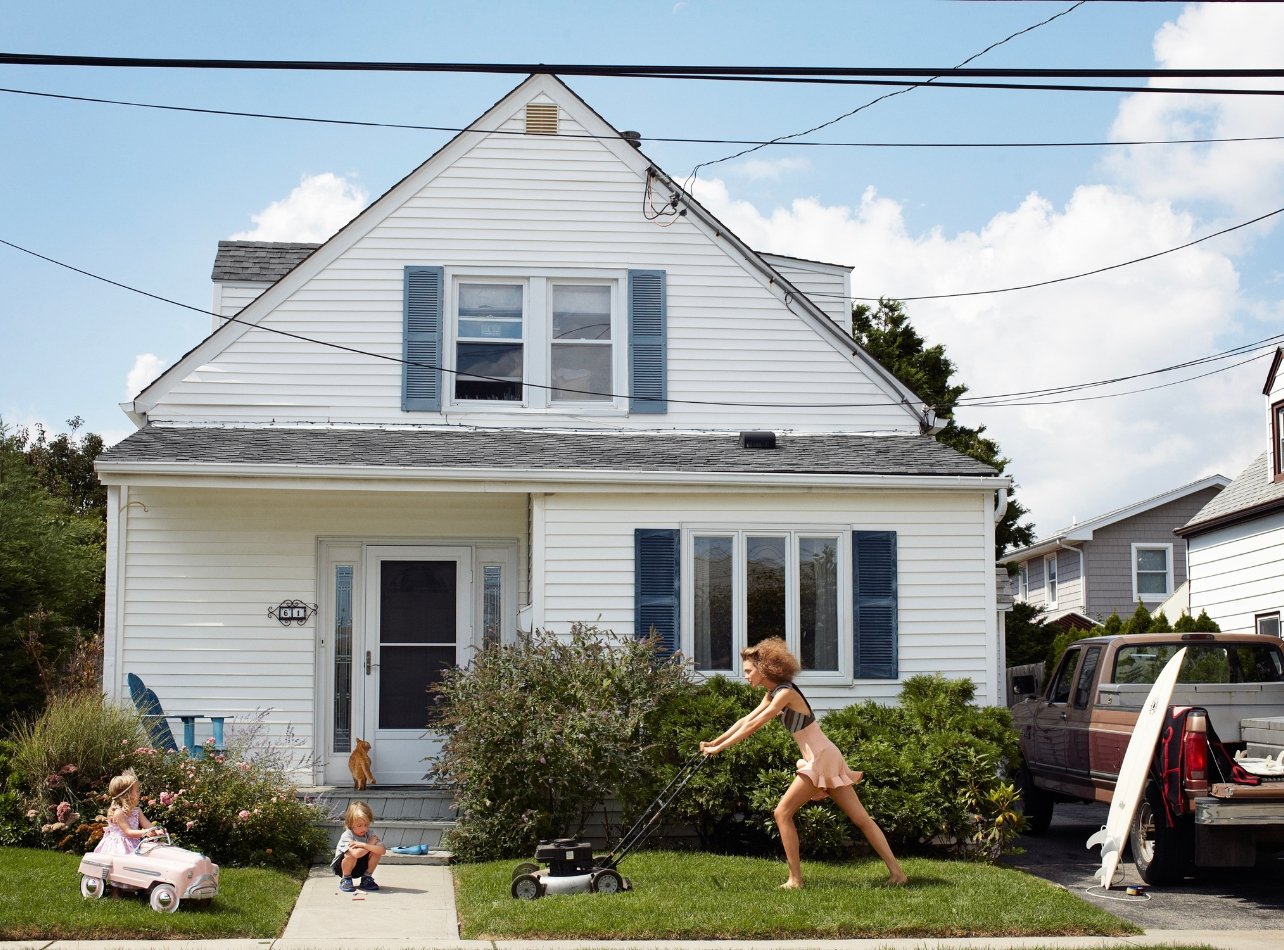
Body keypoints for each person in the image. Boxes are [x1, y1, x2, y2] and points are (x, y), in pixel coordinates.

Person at [701, 638, 908, 889]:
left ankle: (795, 879)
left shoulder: (786, 693)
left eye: (748, 671)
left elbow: (758, 723)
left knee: (782, 813)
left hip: (820, 758)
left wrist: (721, 748)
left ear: (764, 669)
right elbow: (746, 719)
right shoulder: (774, 692)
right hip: (823, 756)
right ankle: (897, 873)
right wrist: (715, 742)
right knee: (860, 818)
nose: (745, 676)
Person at [94, 768, 160, 856]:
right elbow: (128, 832)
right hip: (119, 846)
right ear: (127, 795)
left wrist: (155, 830)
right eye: (136, 790)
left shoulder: (137, 811)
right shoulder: (118, 813)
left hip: (133, 843)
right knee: (121, 864)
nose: (139, 792)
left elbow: (147, 824)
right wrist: (146, 832)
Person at [331, 801, 385, 893]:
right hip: (342, 868)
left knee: (376, 851)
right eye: (359, 825)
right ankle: (346, 879)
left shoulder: (370, 834)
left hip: (360, 867)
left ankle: (366, 878)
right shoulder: (347, 835)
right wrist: (370, 845)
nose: (364, 829)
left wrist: (364, 844)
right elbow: (356, 854)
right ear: (350, 824)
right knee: (350, 853)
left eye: (366, 825)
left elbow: (382, 850)